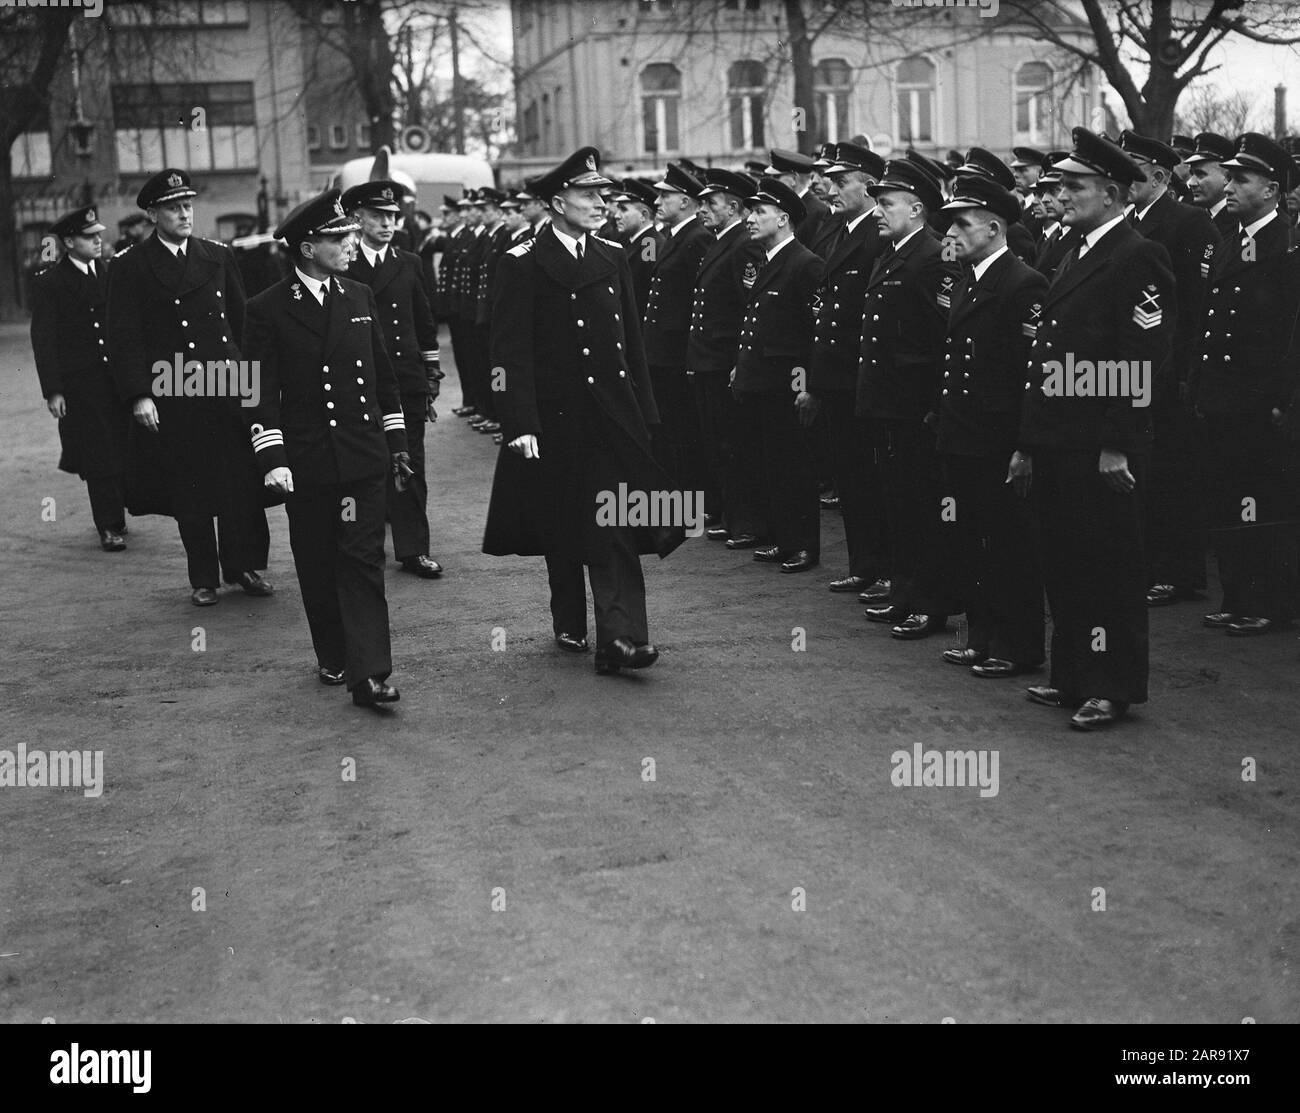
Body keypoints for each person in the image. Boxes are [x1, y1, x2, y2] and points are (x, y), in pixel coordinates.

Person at [482, 147, 685, 674]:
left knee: (613, 521)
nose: (601, 203)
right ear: (556, 202)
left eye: (603, 194)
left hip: (612, 416)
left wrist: (647, 413)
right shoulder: (521, 261)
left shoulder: (612, 255)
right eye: (587, 194)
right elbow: (508, 353)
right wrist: (518, 421)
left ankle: (622, 639)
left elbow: (630, 343)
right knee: (563, 520)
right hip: (555, 419)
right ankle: (568, 616)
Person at [1015, 127, 1176, 730]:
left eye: (1075, 185)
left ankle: (1112, 686)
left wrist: (1116, 444)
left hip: (1100, 447)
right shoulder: (1076, 250)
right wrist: (1030, 443)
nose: (1063, 194)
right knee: (1067, 564)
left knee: (1108, 569)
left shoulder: (1137, 255)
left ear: (1110, 192)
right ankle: (1074, 674)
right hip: (1060, 440)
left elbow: (1141, 360)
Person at [241, 189, 410, 707]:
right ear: (309, 248)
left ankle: (371, 672)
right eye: (340, 238)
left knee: (363, 560)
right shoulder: (266, 309)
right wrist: (271, 457)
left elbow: (382, 376)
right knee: (317, 562)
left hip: (361, 454)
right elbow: (256, 390)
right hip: (309, 461)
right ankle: (333, 653)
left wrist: (397, 441)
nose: (350, 243)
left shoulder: (358, 296)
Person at [106, 168, 272, 607]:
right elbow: (124, 337)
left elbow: (241, 325)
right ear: (153, 214)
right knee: (192, 488)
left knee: (239, 483)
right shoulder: (130, 266)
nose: (185, 213)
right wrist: (139, 394)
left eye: (188, 205)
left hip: (226, 385)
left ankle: (242, 567)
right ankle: (204, 577)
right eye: (174, 207)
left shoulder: (217, 256)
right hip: (174, 391)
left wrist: (252, 382)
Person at [934, 176, 1048, 677]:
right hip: (962, 435)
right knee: (970, 540)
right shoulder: (969, 278)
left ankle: (1018, 646)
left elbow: (1030, 374)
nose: (951, 233)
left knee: (1009, 546)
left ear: (994, 228)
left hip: (998, 439)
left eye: (962, 224)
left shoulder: (1023, 283)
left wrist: (1024, 445)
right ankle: (981, 637)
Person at [1188, 133, 1300, 639]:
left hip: (1260, 402)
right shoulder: (1232, 238)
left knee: (1262, 502)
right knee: (1229, 498)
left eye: (1240, 178)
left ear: (1272, 189)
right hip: (1222, 398)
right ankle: (1237, 595)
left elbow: (1289, 331)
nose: (1229, 186)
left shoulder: (1287, 243)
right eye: (1228, 177)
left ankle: (1269, 602)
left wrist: (1282, 400)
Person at [857, 159, 961, 639]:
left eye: (886, 203)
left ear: (917, 208)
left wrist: (932, 406)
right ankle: (904, 594)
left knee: (924, 507)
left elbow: (944, 338)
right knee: (898, 503)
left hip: (915, 407)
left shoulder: (933, 256)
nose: (878, 211)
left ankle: (929, 602)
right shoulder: (893, 253)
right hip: (887, 405)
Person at [1118, 130, 1221, 609]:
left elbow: (1194, 307)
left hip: (1170, 366)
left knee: (1173, 472)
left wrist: (1184, 371)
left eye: (1133, 166)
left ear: (1159, 175)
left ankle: (1179, 572)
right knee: (1145, 469)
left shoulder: (1187, 223)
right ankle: (1151, 564)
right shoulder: (1130, 221)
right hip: (1135, 367)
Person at [342, 179, 445, 581]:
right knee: (365, 464)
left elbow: (425, 320)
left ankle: (414, 549)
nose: (388, 223)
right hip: (359, 381)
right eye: (378, 216)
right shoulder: (344, 264)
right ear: (358, 219)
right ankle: (362, 546)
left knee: (409, 465)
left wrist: (430, 373)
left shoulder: (408, 263)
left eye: (392, 216)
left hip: (404, 380)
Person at [807, 143, 891, 598]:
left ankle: (881, 566)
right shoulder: (841, 230)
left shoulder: (877, 236)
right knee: (852, 477)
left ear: (868, 184)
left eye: (841, 183)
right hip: (837, 377)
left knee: (869, 479)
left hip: (860, 376)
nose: (832, 190)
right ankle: (864, 564)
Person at [732, 177, 825, 574]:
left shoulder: (805, 263)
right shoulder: (768, 259)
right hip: (762, 382)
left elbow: (814, 334)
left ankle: (803, 544)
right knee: (770, 464)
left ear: (783, 219)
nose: (750, 219)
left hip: (787, 385)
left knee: (795, 467)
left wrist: (808, 389)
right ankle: (781, 537)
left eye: (759, 213)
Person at [31, 205, 130, 552]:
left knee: (119, 445)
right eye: (90, 237)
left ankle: (117, 513)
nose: (98, 241)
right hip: (81, 385)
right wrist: (54, 390)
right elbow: (44, 339)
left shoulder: (110, 273)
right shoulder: (52, 283)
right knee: (97, 452)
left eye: (99, 235)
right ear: (70, 242)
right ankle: (109, 525)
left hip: (115, 380)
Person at [686, 168, 766, 540]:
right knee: (717, 441)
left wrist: (739, 362)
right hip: (708, 359)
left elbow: (747, 306)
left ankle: (746, 522)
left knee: (734, 443)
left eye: (710, 203)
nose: (702, 209)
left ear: (733, 207)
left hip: (724, 360)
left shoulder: (743, 244)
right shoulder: (720, 240)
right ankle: (731, 517)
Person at [643, 162, 712, 493]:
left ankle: (694, 494)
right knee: (673, 425)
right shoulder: (676, 237)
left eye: (664, 196)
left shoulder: (696, 238)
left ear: (685, 201)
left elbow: (698, 299)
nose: (657, 203)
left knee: (685, 428)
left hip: (678, 351)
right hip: (664, 351)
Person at [610, 178, 663, 318]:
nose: (617, 216)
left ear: (643, 215)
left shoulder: (649, 243)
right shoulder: (630, 240)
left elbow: (644, 286)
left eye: (623, 210)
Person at [1185, 131, 1237, 239]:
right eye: (1192, 174)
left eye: (1200, 174)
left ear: (1227, 177)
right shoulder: (1190, 215)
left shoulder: (1239, 221)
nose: (1191, 182)